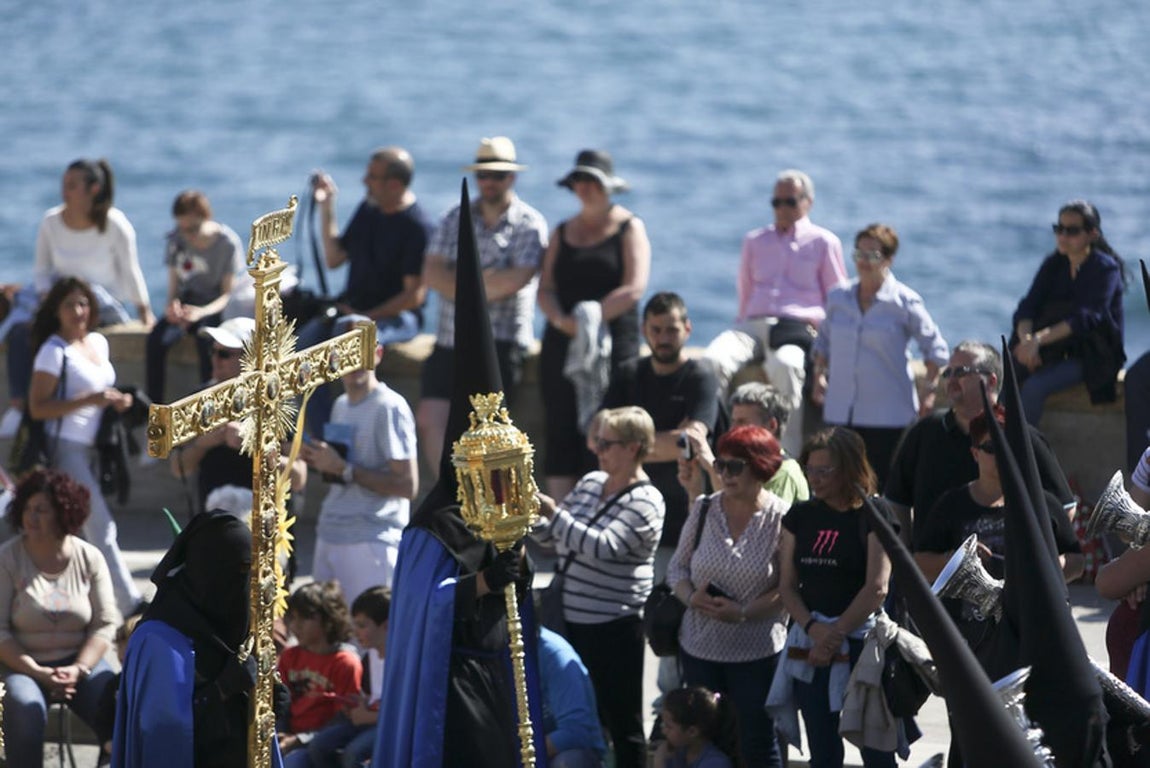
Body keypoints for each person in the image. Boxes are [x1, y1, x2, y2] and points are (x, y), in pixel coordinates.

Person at [371, 180, 545, 768]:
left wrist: (518, 570)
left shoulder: (509, 519)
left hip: (503, 679)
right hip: (451, 691)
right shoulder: (433, 530)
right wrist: (483, 584)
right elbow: (424, 611)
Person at [914, 407, 1084, 767]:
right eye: (992, 447)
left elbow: (1077, 562)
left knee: (1033, 739)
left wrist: (1043, 566)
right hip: (972, 644)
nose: (1002, 455)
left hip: (1032, 643)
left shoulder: (1042, 503)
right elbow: (919, 561)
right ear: (975, 453)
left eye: (1009, 446)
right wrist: (957, 558)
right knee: (968, 741)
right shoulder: (952, 505)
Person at [534, 405, 665, 768]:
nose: (598, 450)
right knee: (577, 715)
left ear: (634, 447)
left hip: (615, 628)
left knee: (623, 722)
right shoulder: (591, 482)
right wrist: (528, 514)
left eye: (607, 443)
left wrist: (553, 514)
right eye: (597, 442)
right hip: (571, 622)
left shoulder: (647, 501)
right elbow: (553, 537)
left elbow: (604, 546)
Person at [415, 137, 547, 479]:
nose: (489, 182)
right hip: (450, 339)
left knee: (488, 431)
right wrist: (487, 282)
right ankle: (453, 489)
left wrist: (458, 280)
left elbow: (516, 280)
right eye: (483, 175)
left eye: (498, 175)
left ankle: (481, 497)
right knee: (430, 419)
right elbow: (432, 273)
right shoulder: (454, 217)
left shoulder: (529, 223)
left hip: (499, 343)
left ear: (511, 178)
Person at [771, 427, 895, 768]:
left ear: (849, 469)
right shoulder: (800, 516)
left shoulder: (873, 513)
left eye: (825, 471)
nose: (815, 479)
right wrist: (813, 629)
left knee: (877, 753)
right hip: (811, 644)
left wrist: (835, 634)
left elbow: (877, 586)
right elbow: (787, 585)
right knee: (823, 753)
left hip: (859, 644)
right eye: (810, 469)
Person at [112, 510, 274, 768]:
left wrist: (268, 700)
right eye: (234, 569)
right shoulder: (157, 641)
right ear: (206, 567)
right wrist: (221, 690)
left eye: (248, 571)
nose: (241, 582)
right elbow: (160, 735)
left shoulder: (237, 625)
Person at [667, 425, 788, 768]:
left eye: (735, 466)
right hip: (699, 648)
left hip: (757, 653)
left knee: (757, 743)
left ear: (761, 467)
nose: (725, 474)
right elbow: (676, 569)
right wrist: (691, 597)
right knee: (704, 744)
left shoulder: (782, 518)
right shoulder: (705, 508)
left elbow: (789, 589)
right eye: (720, 465)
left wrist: (744, 611)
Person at [704, 169, 847, 458]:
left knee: (786, 365)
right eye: (776, 202)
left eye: (790, 202)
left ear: (808, 202)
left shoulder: (823, 242)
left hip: (795, 327)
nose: (782, 208)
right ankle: (718, 446)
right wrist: (743, 322)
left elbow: (837, 300)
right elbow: (745, 289)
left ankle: (785, 457)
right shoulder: (755, 241)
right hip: (753, 324)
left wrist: (827, 348)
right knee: (711, 361)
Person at [883, 340, 1075, 548]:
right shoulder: (924, 432)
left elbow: (1064, 508)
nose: (952, 379)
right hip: (933, 565)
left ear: (991, 381)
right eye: (948, 373)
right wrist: (904, 558)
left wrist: (1029, 554)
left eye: (961, 372)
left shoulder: (1022, 438)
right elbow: (896, 501)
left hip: (1005, 566)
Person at [538, 148, 651, 500]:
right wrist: (564, 322)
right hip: (562, 343)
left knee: (609, 427)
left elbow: (633, 288)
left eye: (593, 181)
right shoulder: (562, 232)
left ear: (608, 186)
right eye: (579, 181)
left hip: (614, 343)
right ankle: (562, 517)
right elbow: (545, 288)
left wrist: (591, 320)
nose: (585, 188)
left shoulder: (629, 227)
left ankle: (606, 507)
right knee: (560, 428)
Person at [27, 276, 142, 614]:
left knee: (71, 530)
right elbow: (38, 408)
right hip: (65, 448)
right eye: (69, 305)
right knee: (100, 525)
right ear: (56, 311)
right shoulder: (53, 352)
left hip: (96, 448)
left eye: (83, 303)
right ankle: (129, 603)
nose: (78, 311)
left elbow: (101, 390)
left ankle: (72, 607)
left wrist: (117, 401)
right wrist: (90, 400)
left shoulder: (97, 342)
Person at [303, 147, 433, 437]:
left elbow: (414, 296)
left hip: (396, 316)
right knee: (303, 350)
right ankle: (327, 440)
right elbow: (334, 258)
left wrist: (367, 316)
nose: (365, 181)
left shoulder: (417, 227)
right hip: (355, 309)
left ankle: (354, 440)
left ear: (394, 184)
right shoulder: (369, 209)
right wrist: (326, 206)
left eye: (372, 177)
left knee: (356, 350)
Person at [7, 158, 154, 415]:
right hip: (58, 299)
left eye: (73, 185)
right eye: (65, 184)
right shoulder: (51, 221)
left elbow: (131, 270)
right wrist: (49, 300)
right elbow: (41, 271)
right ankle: (19, 406)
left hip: (98, 306)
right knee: (20, 332)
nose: (65, 191)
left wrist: (144, 312)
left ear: (93, 189)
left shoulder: (115, 224)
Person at [811, 223, 949, 488]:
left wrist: (929, 391)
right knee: (837, 487)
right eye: (859, 254)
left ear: (888, 259)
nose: (863, 262)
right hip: (840, 411)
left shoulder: (904, 301)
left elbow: (935, 349)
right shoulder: (838, 297)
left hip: (888, 416)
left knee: (881, 489)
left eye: (872, 255)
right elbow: (823, 342)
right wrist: (819, 376)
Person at [0, 469, 119, 768]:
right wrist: (38, 672)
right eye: (27, 508)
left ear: (64, 512)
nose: (31, 517)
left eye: (41, 510)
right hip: (22, 666)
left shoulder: (89, 558)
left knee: (118, 704)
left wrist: (79, 668)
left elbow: (105, 623)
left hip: (80, 663)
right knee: (23, 707)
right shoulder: (7, 558)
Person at [300, 315, 417, 600]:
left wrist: (345, 469)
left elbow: (407, 486)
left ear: (378, 353)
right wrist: (317, 459)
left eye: (360, 349)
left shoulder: (390, 407)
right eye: (345, 350)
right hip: (330, 530)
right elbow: (340, 471)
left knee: (368, 629)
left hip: (371, 537)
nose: (353, 360)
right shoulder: (340, 405)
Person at [601, 292, 720, 551]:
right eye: (656, 330)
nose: (663, 338)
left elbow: (693, 441)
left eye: (671, 330)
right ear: (643, 329)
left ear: (687, 329)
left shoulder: (701, 378)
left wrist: (625, 443)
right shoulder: (628, 373)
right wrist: (672, 440)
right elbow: (597, 437)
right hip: (629, 510)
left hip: (683, 513)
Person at [170, 316, 307, 514]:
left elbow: (299, 476)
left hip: (265, 523)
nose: (215, 360)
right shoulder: (200, 400)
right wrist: (204, 444)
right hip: (214, 522)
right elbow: (178, 468)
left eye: (224, 354)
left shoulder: (277, 404)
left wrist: (254, 445)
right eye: (213, 351)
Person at [1011, 199, 1125, 427]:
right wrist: (1027, 342)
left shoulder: (1105, 269)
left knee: (1034, 387)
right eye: (1059, 229)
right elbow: (1027, 307)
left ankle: (1021, 447)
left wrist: (1037, 341)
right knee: (1008, 380)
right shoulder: (1054, 264)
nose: (1062, 236)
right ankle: (995, 443)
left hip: (1090, 356)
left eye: (1071, 231)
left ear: (1092, 234)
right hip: (1051, 349)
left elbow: (1086, 318)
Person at [144, 190, 244, 405]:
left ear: (205, 217)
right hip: (188, 304)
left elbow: (227, 294)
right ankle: (154, 407)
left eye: (193, 229)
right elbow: (174, 288)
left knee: (206, 341)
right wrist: (173, 308)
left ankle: (207, 405)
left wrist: (201, 313)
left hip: (213, 308)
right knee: (156, 340)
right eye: (183, 229)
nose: (188, 235)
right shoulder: (176, 240)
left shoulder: (227, 243)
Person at [291, 586, 391, 768]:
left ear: (386, 626)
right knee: (320, 745)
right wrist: (357, 703)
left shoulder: (399, 662)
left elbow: (398, 711)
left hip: (385, 724)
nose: (355, 631)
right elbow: (372, 696)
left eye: (362, 625)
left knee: (354, 753)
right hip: (368, 718)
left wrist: (366, 715)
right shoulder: (370, 657)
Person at [679, 382, 810, 507]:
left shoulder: (784, 473)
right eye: (733, 421)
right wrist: (694, 489)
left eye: (742, 422)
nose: (733, 430)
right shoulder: (747, 467)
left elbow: (750, 517)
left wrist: (710, 464)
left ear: (771, 426)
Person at [278, 582, 363, 760]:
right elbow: (282, 703)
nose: (295, 626)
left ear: (328, 620)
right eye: (292, 618)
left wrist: (300, 739)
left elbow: (343, 719)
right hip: (289, 737)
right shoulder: (289, 657)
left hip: (319, 745)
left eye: (304, 618)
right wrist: (281, 733)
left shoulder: (345, 663)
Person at [537, 626, 609, 768]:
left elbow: (574, 733)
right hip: (522, 751)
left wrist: (521, 754)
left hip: (565, 755)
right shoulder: (494, 653)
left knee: (568, 763)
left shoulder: (554, 653)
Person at [653, 686, 742, 768]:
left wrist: (659, 763)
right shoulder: (674, 754)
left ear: (692, 732)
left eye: (669, 726)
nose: (663, 731)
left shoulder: (715, 763)